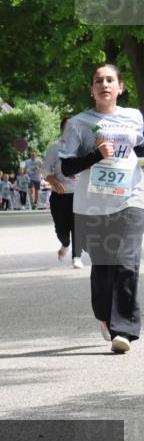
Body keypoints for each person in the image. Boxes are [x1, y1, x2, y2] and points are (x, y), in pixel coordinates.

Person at [58, 63, 144, 353]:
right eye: (98, 81)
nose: (104, 85)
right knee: (104, 270)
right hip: (92, 206)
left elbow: (141, 149)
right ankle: (106, 317)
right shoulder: (79, 123)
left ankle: (125, 331)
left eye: (110, 80)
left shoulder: (133, 117)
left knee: (128, 262)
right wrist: (96, 154)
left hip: (131, 197)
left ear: (121, 87)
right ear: (92, 89)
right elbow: (67, 165)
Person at [44, 118, 83, 269]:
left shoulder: (84, 147)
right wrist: (54, 182)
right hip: (60, 195)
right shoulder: (55, 147)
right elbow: (45, 169)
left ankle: (76, 257)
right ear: (63, 130)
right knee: (61, 229)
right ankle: (65, 243)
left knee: (78, 226)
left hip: (79, 194)